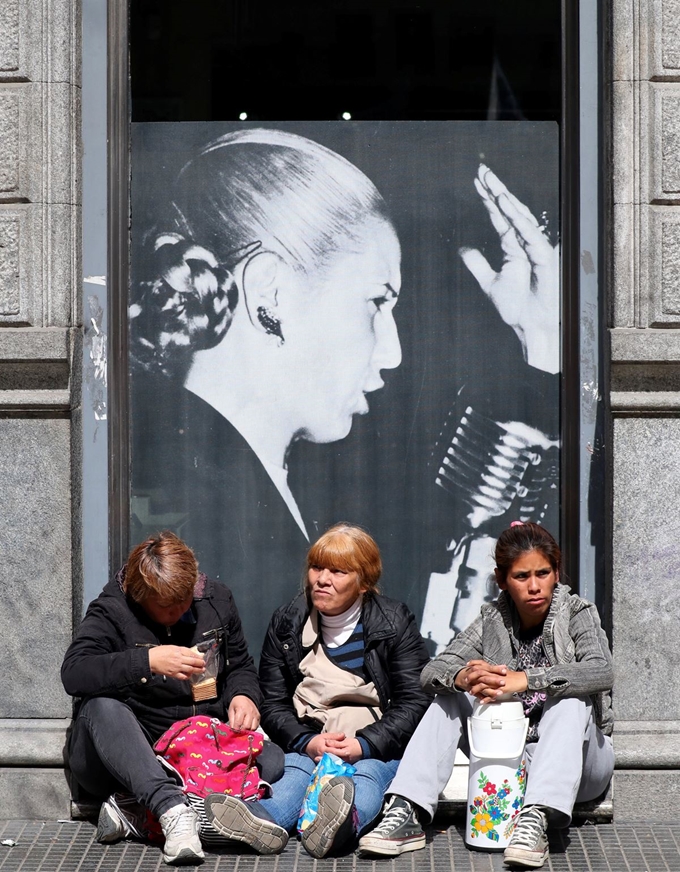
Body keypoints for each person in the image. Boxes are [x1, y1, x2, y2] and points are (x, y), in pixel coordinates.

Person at [129, 127, 560, 654]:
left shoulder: (253, 488)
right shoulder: (202, 511)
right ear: (270, 295)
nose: (393, 351)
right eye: (376, 302)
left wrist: (536, 347)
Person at [358, 522, 614, 869]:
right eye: (522, 576)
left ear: (556, 572)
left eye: (543, 573)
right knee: (449, 698)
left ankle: (536, 820)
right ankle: (408, 810)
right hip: (511, 760)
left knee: (570, 700)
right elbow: (431, 672)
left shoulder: (577, 613)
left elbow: (601, 671)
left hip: (582, 765)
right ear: (502, 579)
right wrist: (462, 676)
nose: (535, 586)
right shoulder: (492, 618)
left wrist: (525, 680)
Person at [201, 523, 432, 858]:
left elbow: (414, 701)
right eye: (317, 567)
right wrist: (306, 742)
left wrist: (363, 744)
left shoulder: (393, 621)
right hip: (310, 739)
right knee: (293, 777)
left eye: (338, 571)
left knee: (363, 781)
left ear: (364, 582)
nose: (323, 579)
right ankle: (259, 823)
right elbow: (274, 701)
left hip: (375, 745)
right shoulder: (287, 622)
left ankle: (338, 827)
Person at [61, 531, 266, 866]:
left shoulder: (215, 599)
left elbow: (240, 665)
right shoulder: (112, 609)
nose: (179, 610)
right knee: (100, 707)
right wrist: (148, 662)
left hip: (196, 747)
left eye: (184, 600)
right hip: (128, 751)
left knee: (273, 760)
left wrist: (243, 695)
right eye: (167, 607)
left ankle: (136, 811)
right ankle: (171, 810)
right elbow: (74, 672)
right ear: (141, 597)